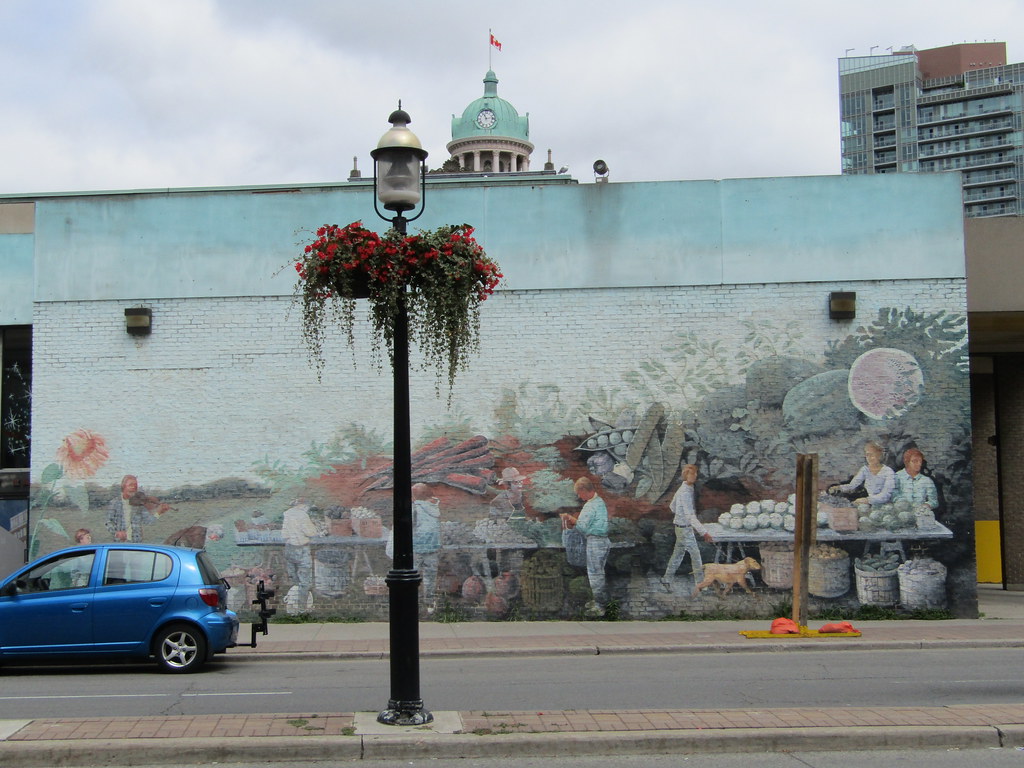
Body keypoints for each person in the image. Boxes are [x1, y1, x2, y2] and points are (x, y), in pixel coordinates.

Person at [563, 476, 610, 616]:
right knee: (599, 572)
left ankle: (600, 607)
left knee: (595, 574)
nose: (579, 496)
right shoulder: (599, 501)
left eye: (579, 493)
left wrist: (570, 518)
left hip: (595, 542)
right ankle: (599, 601)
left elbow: (582, 527)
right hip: (603, 541)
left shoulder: (590, 506)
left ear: (584, 490)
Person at [664, 464, 712, 581]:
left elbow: (672, 507)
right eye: (691, 474)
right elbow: (690, 515)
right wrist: (704, 533)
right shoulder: (685, 492)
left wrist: (680, 514)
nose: (694, 476)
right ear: (686, 475)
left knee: (677, 555)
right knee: (696, 556)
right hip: (685, 529)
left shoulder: (686, 488)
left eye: (695, 473)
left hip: (680, 528)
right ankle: (700, 583)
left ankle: (666, 578)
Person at [281, 497, 323, 614]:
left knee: (295, 580)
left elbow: (284, 534)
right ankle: (302, 608)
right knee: (305, 582)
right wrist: (316, 527)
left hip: (289, 548)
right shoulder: (303, 515)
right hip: (301, 548)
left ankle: (293, 605)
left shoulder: (287, 514)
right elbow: (311, 532)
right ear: (304, 506)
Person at [105, 475, 171, 542]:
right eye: (131, 485)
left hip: (136, 542)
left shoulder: (139, 504)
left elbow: (148, 521)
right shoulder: (114, 503)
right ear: (123, 486)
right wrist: (116, 533)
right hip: (119, 543)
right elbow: (108, 522)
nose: (134, 487)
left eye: (135, 485)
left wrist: (159, 512)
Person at [828, 441, 896, 506]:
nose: (869, 458)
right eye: (867, 455)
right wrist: (839, 488)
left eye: (872, 455)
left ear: (879, 456)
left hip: (886, 504)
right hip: (870, 503)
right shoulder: (865, 469)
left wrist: (867, 500)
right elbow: (853, 485)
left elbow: (886, 495)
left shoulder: (888, 471)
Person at [411, 483, 441, 605]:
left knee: (413, 575)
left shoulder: (414, 508)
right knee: (430, 576)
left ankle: (413, 601)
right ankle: (429, 601)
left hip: (416, 547)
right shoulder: (434, 508)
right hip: (433, 547)